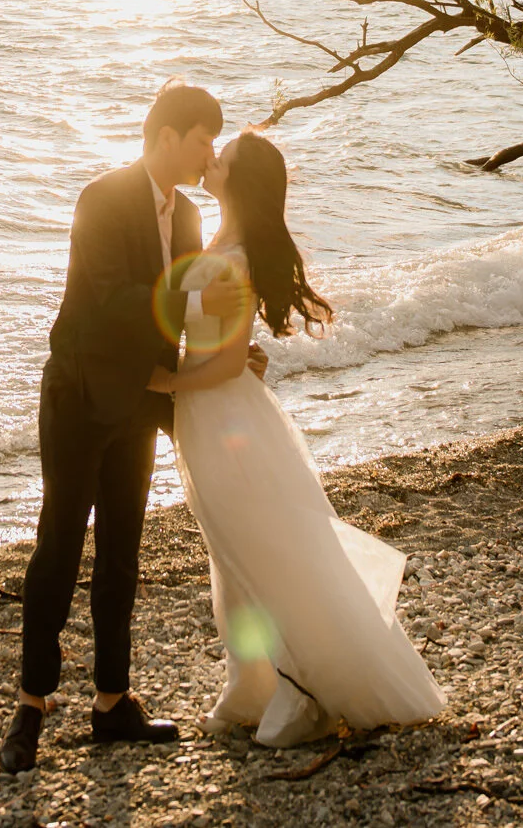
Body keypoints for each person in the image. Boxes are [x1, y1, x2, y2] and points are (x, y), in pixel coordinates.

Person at [0, 81, 262, 773]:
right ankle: (30, 704)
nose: (208, 154)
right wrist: (193, 303)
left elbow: (186, 319)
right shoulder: (102, 198)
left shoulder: (188, 218)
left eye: (215, 143)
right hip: (80, 397)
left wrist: (233, 349)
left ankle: (112, 702)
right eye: (203, 139)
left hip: (142, 403)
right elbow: (112, 300)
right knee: (59, 547)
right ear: (167, 136)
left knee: (122, 554)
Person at [166, 129, 446, 745]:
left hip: (224, 417)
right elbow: (223, 345)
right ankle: (251, 685)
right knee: (233, 553)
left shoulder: (234, 256)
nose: (211, 158)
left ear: (239, 180)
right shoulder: (216, 240)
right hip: (211, 415)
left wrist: (162, 379)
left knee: (260, 551)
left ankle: (302, 694)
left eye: (222, 157)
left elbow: (226, 361)